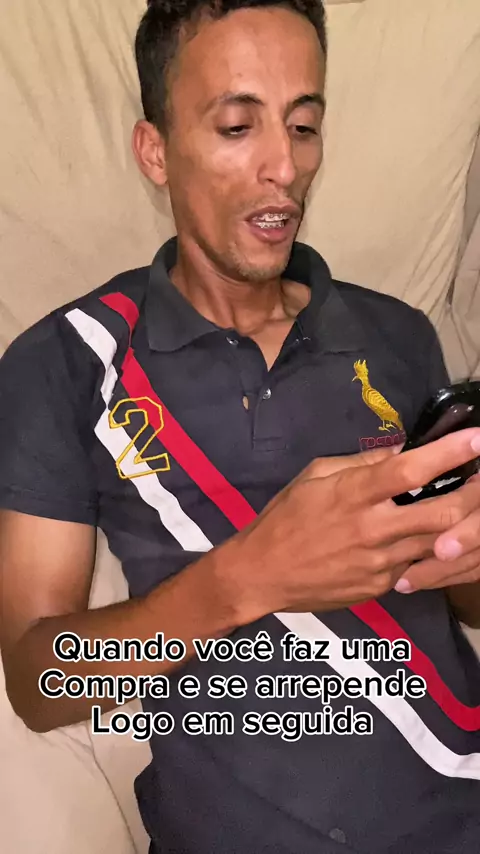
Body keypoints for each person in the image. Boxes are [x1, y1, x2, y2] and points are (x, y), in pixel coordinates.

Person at [1, 1, 480, 851]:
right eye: (236, 126)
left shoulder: (399, 335)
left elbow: (464, 598)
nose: (284, 168)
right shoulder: (68, 360)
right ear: (155, 151)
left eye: (304, 126)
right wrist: (249, 577)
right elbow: (41, 685)